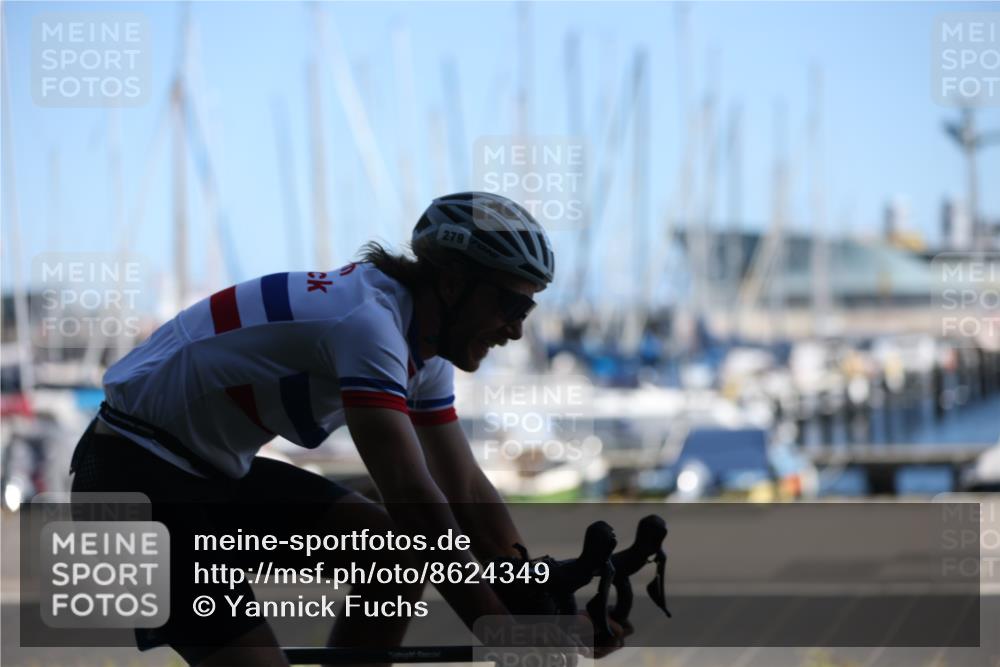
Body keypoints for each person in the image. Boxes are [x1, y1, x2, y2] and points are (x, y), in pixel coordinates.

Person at [69, 192, 594, 666]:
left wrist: (531, 596)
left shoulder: (425, 344)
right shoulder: (367, 325)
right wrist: (501, 631)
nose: (517, 328)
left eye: (528, 307)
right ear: (452, 282)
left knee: (395, 555)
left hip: (207, 475)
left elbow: (465, 488)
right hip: (129, 478)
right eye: (511, 304)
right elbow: (413, 497)